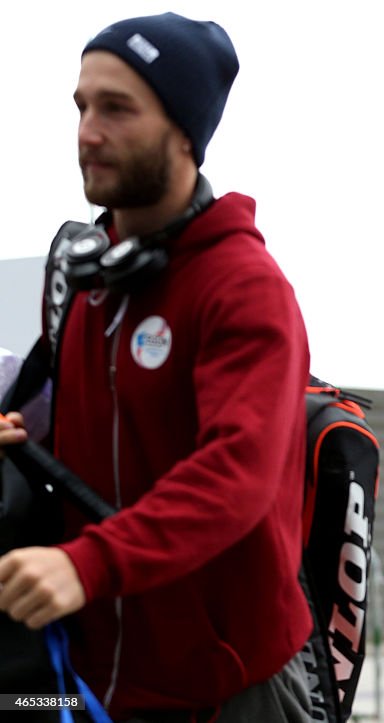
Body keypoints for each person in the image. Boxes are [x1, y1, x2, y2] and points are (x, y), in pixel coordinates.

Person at [0, 13, 312, 722]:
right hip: (91, 678)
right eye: (81, 106)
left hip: (226, 687)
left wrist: (87, 565)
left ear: (183, 131)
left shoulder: (245, 287)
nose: (87, 130)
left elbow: (235, 475)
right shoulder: (93, 282)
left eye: (116, 108)